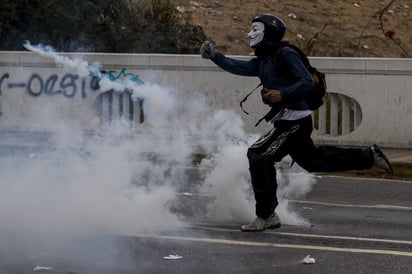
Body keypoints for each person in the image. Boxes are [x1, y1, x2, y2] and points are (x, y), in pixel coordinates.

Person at [199, 14, 393, 232]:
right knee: (313, 161)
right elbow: (242, 68)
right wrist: (215, 56)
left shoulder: (286, 53)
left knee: (259, 155)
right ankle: (369, 156)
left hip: (294, 121)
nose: (249, 34)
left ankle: (266, 215)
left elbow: (306, 81)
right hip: (290, 120)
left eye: (255, 29)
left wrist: (283, 94)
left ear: (269, 32)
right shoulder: (265, 59)